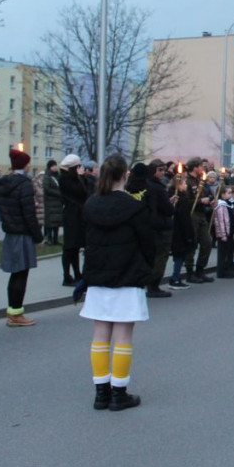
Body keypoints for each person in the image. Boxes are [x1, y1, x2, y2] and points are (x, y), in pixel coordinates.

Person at [80, 154, 155, 412]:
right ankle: (118, 393)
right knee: (123, 336)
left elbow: (85, 240)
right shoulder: (133, 206)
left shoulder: (91, 204)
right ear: (125, 175)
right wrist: (147, 269)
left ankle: (101, 393)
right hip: (127, 273)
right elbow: (148, 242)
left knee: (100, 334)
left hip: (98, 275)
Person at [0, 148, 42, 326]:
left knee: (15, 273)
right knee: (21, 274)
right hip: (23, 233)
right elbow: (29, 213)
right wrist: (38, 236)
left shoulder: (4, 183)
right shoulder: (24, 184)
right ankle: (16, 313)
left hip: (11, 232)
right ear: (24, 165)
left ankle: (13, 311)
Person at [145, 159, 177, 295]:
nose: (163, 173)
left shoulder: (148, 185)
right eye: (160, 170)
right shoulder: (157, 187)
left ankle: (151, 284)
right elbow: (167, 209)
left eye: (163, 170)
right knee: (160, 256)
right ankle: (153, 285)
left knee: (155, 255)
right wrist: (171, 205)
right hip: (160, 226)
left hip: (152, 225)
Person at [184, 158, 216, 284]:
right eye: (201, 166)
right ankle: (189, 272)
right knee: (192, 245)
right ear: (195, 167)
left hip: (202, 215)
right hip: (192, 215)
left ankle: (200, 269)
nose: (203, 169)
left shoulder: (200, 181)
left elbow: (205, 195)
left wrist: (210, 201)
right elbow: (186, 201)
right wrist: (199, 201)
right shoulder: (187, 181)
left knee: (207, 242)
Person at [59, 154, 87, 285]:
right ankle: (67, 275)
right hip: (71, 215)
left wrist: (81, 177)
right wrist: (81, 177)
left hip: (76, 215)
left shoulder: (70, 178)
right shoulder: (66, 179)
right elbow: (80, 192)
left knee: (74, 247)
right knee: (70, 247)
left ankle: (77, 273)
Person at [168, 171, 194, 289]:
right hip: (180, 231)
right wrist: (189, 234)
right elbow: (184, 218)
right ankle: (175, 278)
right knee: (179, 255)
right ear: (178, 184)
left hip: (176, 229)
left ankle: (176, 277)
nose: (186, 185)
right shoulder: (180, 198)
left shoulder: (177, 196)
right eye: (184, 183)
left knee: (178, 255)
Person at [212, 183, 234, 279]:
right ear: (222, 194)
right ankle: (221, 271)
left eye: (231, 193)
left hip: (230, 231)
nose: (230, 195)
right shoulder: (220, 205)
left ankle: (228, 268)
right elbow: (221, 221)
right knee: (223, 253)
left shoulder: (229, 204)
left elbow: (232, 218)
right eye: (228, 193)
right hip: (224, 233)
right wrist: (223, 234)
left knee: (229, 251)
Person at [42, 160, 63, 245]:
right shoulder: (47, 176)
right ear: (50, 167)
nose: (55, 167)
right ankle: (49, 239)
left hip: (58, 203)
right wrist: (58, 193)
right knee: (50, 222)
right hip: (50, 202)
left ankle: (55, 239)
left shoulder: (58, 176)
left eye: (56, 165)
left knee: (57, 222)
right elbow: (47, 189)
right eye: (53, 166)